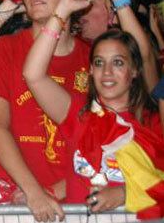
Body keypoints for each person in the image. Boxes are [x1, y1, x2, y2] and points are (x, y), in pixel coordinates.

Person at [0, 0, 89, 221]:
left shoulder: (95, 57)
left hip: (77, 198)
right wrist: (34, 191)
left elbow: (106, 137)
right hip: (16, 197)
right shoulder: (3, 50)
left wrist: (61, 188)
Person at [25, 25, 162, 212]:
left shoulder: (154, 122)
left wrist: (124, 194)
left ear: (135, 70)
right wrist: (61, 11)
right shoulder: (77, 113)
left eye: (118, 63)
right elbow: (32, 74)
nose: (107, 71)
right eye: (99, 62)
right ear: (90, 70)